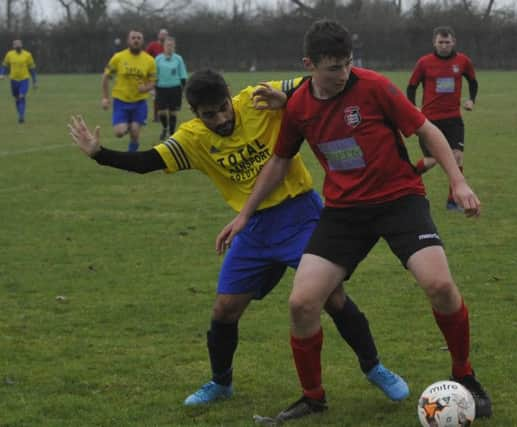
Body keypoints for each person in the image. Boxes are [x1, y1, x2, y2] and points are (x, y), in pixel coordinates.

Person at [68, 69, 408, 408]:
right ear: (196, 114)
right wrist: (100, 154)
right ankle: (221, 382)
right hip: (252, 230)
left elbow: (314, 84)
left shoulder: (257, 98)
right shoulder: (193, 138)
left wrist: (287, 99)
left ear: (230, 96)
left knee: (331, 297)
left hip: (300, 215)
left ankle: (374, 367)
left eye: (222, 108)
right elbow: (147, 162)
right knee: (225, 309)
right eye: (208, 115)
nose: (219, 119)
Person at [218, 19, 492, 425]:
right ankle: (313, 397)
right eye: (333, 67)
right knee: (301, 302)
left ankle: (465, 375)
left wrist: (459, 181)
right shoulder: (298, 107)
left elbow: (427, 129)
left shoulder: (374, 86)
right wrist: (243, 215)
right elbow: (279, 161)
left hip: (400, 201)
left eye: (347, 63)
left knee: (439, 285)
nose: (343, 73)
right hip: (344, 212)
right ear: (310, 64)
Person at [406, 25, 478, 212]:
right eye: (440, 42)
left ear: (453, 42)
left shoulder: (463, 61)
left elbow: (473, 81)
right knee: (432, 161)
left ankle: (453, 201)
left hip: (454, 119)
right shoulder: (424, 63)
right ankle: (408, 177)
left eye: (447, 42)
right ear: (434, 43)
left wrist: (471, 99)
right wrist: (413, 107)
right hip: (430, 122)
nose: (444, 45)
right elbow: (411, 86)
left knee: (457, 158)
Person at [102, 30, 157, 152]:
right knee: (119, 132)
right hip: (121, 101)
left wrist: (146, 88)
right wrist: (105, 98)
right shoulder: (118, 57)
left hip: (139, 102)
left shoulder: (149, 61)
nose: (136, 40)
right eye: (133, 38)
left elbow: (153, 82)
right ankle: (127, 125)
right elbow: (106, 76)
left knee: (135, 132)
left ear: (142, 41)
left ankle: (131, 158)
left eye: (138, 38)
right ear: (128, 40)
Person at [154, 36, 188, 140]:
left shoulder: (178, 58)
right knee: (161, 112)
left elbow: (183, 75)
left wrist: (183, 90)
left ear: (174, 47)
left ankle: (172, 133)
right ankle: (165, 128)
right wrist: (153, 87)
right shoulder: (158, 59)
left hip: (175, 88)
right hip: (161, 88)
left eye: (171, 45)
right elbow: (154, 74)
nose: (169, 47)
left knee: (173, 112)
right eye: (167, 45)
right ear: (163, 46)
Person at [0, 39, 37, 123]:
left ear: (22, 46)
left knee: (21, 96)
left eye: (19, 46)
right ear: (13, 47)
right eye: (16, 46)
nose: (18, 47)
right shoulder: (9, 55)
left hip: (24, 79)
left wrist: (34, 81)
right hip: (13, 80)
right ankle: (20, 114)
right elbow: (4, 65)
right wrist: (1, 74)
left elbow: (32, 69)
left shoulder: (27, 55)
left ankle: (21, 116)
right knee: (17, 98)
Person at [146, 29, 169, 122]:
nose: (163, 36)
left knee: (165, 96)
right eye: (162, 34)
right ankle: (156, 116)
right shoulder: (153, 45)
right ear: (158, 35)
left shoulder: (168, 47)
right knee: (156, 96)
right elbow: (145, 56)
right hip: (154, 74)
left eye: (165, 35)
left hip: (165, 75)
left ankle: (164, 115)